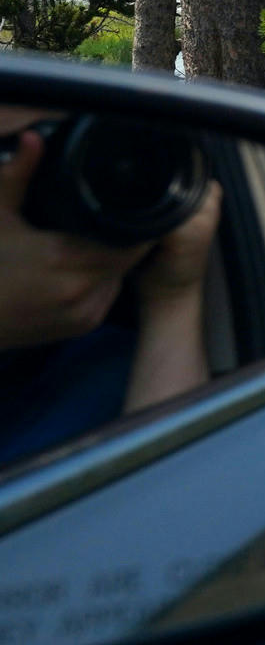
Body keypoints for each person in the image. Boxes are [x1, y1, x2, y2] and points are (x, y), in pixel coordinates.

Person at [0, 114, 222, 469]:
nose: (51, 171)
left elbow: (171, 490)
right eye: (9, 151)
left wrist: (174, 295)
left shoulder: (110, 369)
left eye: (60, 146)